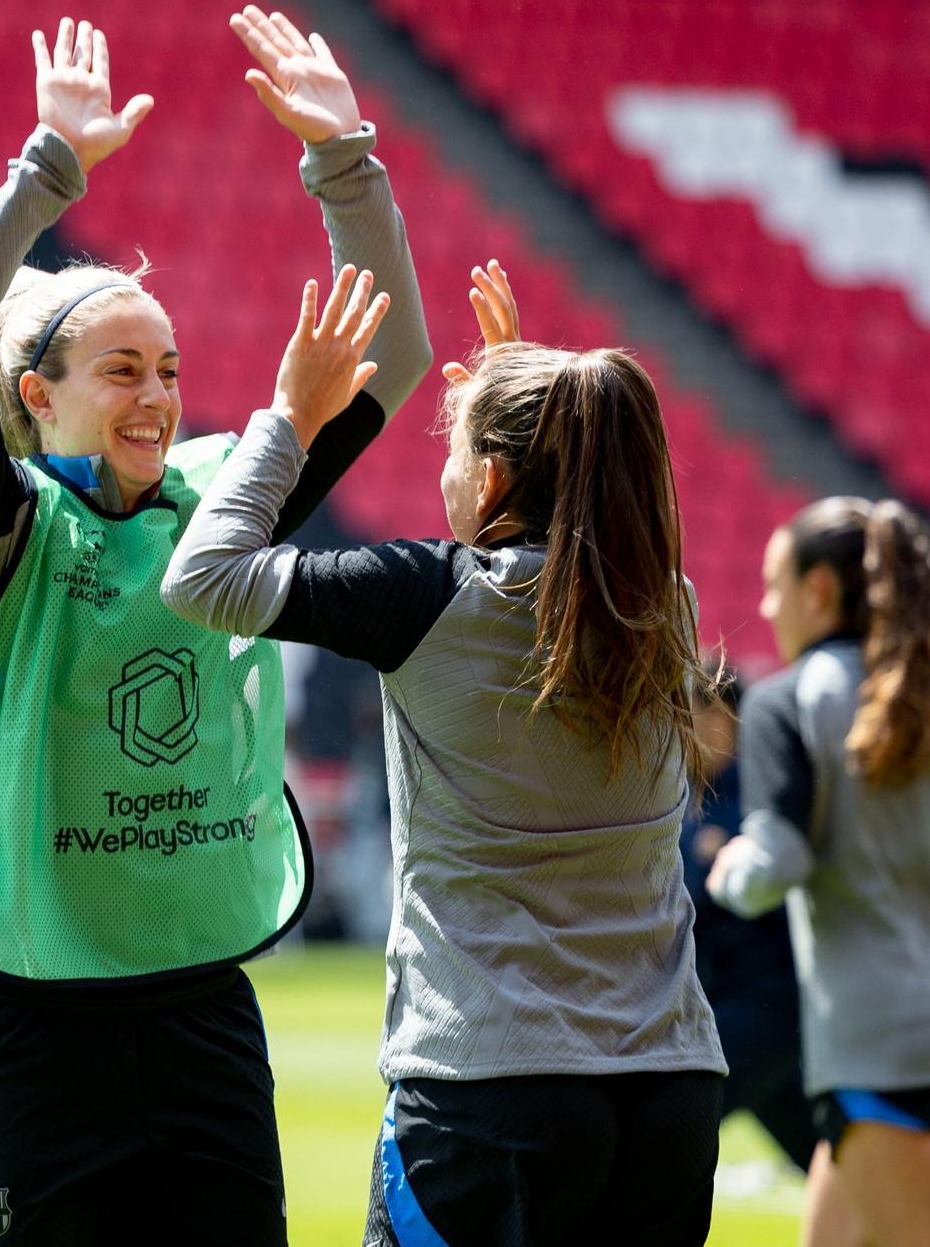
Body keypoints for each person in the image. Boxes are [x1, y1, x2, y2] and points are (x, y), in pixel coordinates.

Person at [0, 11, 429, 1245]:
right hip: (31, 1007)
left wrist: (346, 157)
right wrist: (48, 167)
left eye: (170, 366)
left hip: (201, 1003)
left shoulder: (220, 494)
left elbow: (398, 350)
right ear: (37, 397)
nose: (158, 395)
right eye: (121, 369)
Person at [162, 262, 728, 1246]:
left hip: (490, 1085)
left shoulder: (425, 597)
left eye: (456, 449)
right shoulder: (661, 603)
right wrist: (515, 388)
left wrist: (292, 417)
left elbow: (203, 579)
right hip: (669, 1083)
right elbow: (577, 520)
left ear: (497, 476)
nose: (444, 471)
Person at [707, 498, 930, 1247]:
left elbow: (777, 862)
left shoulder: (786, 700)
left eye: (775, 585)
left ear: (821, 590)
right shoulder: (915, 684)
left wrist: (727, 868)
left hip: (878, 1045)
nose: (766, 606)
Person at [680, 668, 816, 1171]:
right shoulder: (692, 797)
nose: (683, 734)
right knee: (833, 1162)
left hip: (765, 1007)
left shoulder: (757, 790)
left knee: (676, 1125)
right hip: (740, 1009)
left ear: (722, 717)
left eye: (690, 717)